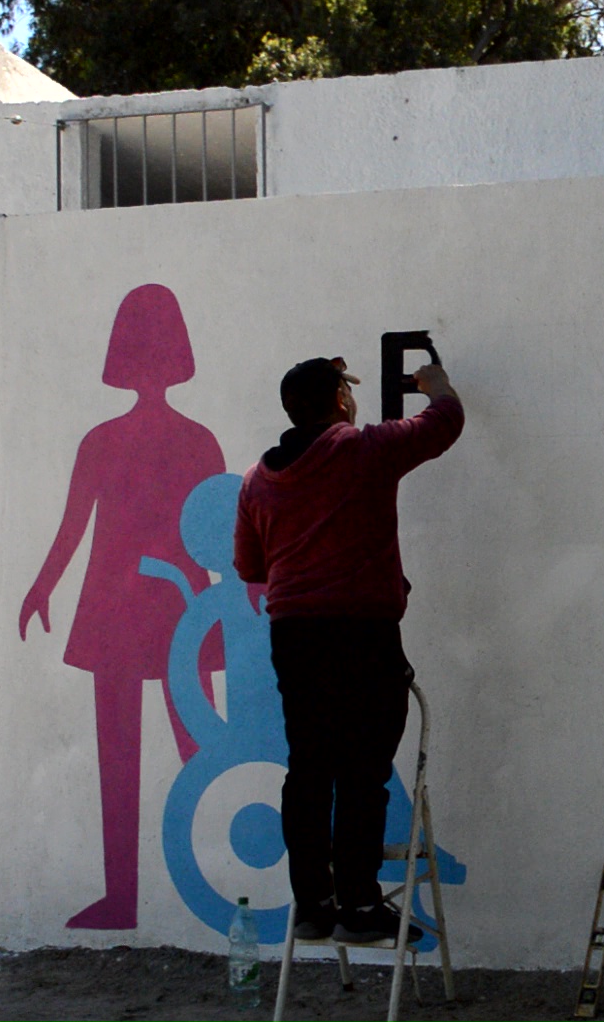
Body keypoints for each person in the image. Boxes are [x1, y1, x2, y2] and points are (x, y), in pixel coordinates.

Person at [234, 354, 463, 944]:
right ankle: (361, 907)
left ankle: (313, 903)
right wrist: (436, 386)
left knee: (309, 768)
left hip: (294, 635)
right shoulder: (363, 450)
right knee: (363, 771)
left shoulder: (259, 480)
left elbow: (250, 566)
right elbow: (445, 423)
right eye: (346, 391)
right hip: (361, 632)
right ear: (340, 398)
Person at [19, 283, 225, 932]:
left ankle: (202, 886)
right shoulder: (163, 441)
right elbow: (74, 528)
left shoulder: (166, 442)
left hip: (162, 608)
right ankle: (138, 897)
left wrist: (231, 604)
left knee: (195, 748)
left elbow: (216, 532)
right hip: (149, 610)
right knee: (163, 749)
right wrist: (41, 585)